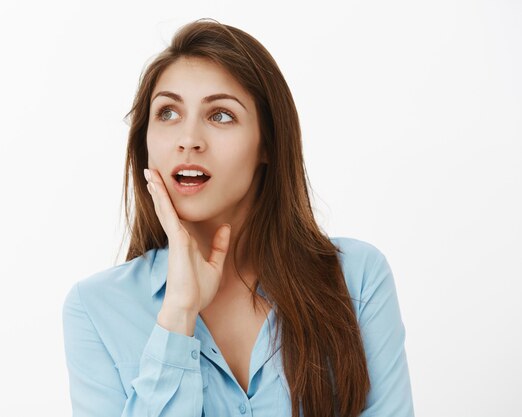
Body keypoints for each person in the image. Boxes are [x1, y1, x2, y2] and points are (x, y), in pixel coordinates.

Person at [62, 18, 414, 417]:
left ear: (267, 143)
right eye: (168, 113)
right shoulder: (94, 309)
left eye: (221, 116)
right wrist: (178, 313)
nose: (189, 139)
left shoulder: (358, 279)